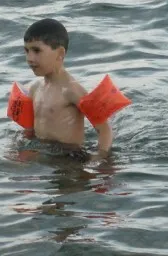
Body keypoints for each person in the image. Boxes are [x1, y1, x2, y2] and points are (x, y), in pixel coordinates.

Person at [8, 19, 130, 158]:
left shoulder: (72, 91)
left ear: (60, 53)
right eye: (26, 51)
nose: (29, 58)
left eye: (36, 50)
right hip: (44, 151)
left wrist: (100, 157)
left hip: (71, 157)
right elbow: (29, 130)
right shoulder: (35, 89)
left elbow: (104, 130)